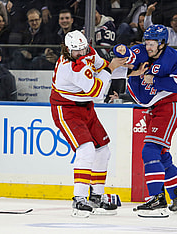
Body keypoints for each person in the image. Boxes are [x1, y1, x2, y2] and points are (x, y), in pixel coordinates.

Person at [113, 24, 177, 217]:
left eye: (152, 43)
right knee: (162, 157)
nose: (148, 47)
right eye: (146, 42)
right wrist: (118, 50)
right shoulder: (143, 51)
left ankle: (157, 199)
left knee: (150, 150)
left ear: (162, 43)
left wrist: (155, 80)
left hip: (168, 109)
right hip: (156, 110)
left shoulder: (171, 57)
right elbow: (129, 56)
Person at [50, 30, 127, 217]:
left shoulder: (88, 51)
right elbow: (97, 93)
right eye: (76, 51)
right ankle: (79, 199)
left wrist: (125, 71)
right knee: (86, 149)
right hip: (66, 109)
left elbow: (102, 66)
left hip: (86, 107)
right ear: (67, 49)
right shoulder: (69, 68)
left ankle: (96, 197)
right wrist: (111, 70)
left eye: (83, 48)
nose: (81, 53)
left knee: (103, 149)